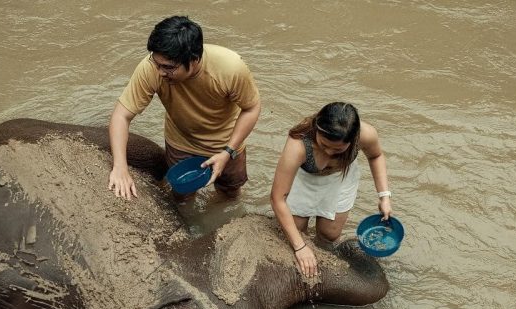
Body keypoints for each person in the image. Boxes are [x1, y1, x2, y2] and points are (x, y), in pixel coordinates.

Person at [108, 16, 261, 200]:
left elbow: (251, 108)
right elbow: (121, 115)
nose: (160, 72)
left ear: (194, 60)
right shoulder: (151, 68)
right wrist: (120, 167)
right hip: (181, 142)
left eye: (168, 67)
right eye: (156, 63)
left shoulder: (230, 69)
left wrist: (228, 151)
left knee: (230, 193)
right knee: (181, 197)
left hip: (227, 142)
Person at [270, 102, 392, 278]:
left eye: (338, 149)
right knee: (297, 231)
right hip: (304, 179)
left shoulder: (366, 135)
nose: (328, 152)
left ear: (353, 140)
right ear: (316, 129)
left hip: (340, 179)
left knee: (329, 235)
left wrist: (384, 196)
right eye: (324, 144)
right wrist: (300, 247)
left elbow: (376, 156)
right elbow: (277, 198)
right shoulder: (298, 144)